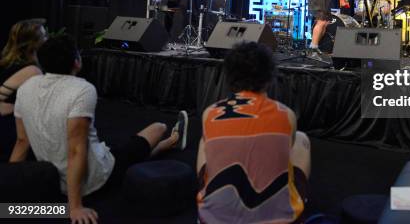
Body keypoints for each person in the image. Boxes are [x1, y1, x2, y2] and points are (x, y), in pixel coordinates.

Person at [10, 34, 188, 224]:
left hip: (52, 179)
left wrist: (9, 186)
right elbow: (76, 150)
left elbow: (22, 141)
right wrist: (75, 206)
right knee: (158, 127)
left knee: (113, 147)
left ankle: (164, 145)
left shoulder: (26, 87)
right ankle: (170, 141)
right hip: (94, 179)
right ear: (77, 62)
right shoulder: (82, 89)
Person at [196, 42, 311, 224]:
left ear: (229, 76)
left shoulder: (210, 113)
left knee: (205, 141)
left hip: (213, 219)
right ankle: (296, 198)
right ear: (269, 77)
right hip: (282, 219)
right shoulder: (286, 114)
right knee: (301, 139)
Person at [0, 18, 46, 161]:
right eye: (44, 36)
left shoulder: (6, 62)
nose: (47, 39)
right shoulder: (32, 70)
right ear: (34, 42)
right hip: (9, 130)